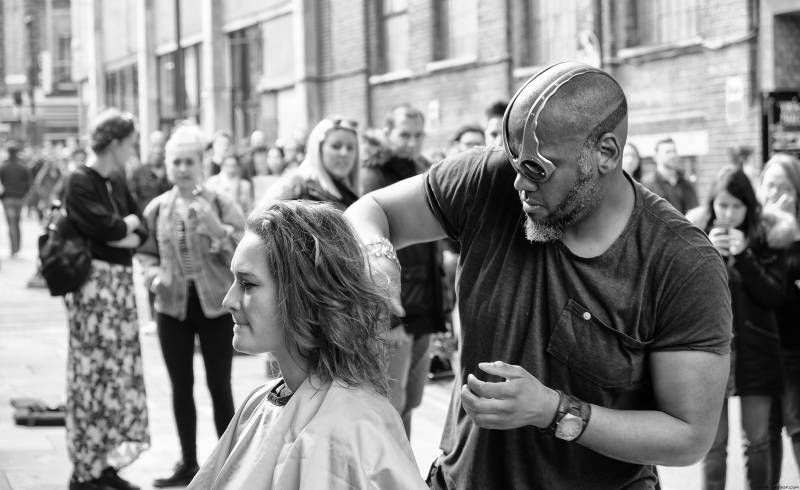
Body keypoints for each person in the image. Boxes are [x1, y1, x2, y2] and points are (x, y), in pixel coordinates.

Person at [344, 61, 732, 489]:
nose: (517, 184)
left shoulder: (681, 261)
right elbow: (371, 211)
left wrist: (551, 410)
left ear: (605, 153)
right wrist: (377, 258)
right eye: (514, 162)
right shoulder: (485, 182)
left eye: (537, 170)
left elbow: (689, 435)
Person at [185, 201, 427, 489]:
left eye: (248, 285)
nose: (228, 301)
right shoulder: (259, 401)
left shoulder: (351, 429)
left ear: (303, 294)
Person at [137, 124, 245, 488]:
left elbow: (246, 254)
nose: (182, 168)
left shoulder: (220, 203)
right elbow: (147, 253)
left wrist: (217, 230)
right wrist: (153, 277)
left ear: (201, 163)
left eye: (189, 161)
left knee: (220, 385)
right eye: (176, 162)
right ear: (168, 166)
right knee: (180, 386)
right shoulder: (157, 209)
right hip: (172, 309)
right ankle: (188, 463)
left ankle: (229, 464)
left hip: (215, 306)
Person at [688, 166, 791, 489]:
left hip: (756, 348)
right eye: (722, 205)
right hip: (710, 350)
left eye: (736, 206)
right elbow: (686, 297)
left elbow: (774, 295)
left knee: (758, 441)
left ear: (748, 206)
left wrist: (744, 255)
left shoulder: (768, 236)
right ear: (711, 204)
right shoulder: (694, 234)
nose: (728, 214)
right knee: (714, 446)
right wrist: (709, 254)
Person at [62, 109, 150, 490]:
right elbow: (109, 227)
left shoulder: (114, 179)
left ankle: (104, 463)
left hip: (118, 289)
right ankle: (85, 469)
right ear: (114, 142)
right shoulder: (80, 180)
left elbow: (138, 228)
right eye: (131, 142)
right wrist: (122, 230)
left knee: (116, 374)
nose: (134, 149)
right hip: (95, 290)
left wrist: (122, 232)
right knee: (92, 372)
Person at [361, 104, 447, 437]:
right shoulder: (372, 174)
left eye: (417, 135)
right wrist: (387, 311)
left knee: (411, 400)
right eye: (403, 134)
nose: (411, 142)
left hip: (426, 301)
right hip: (393, 305)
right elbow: (367, 245)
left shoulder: (424, 169)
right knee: (390, 404)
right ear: (387, 132)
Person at [759, 153, 800, 477]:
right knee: (765, 433)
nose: (776, 193)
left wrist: (791, 232)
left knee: (797, 426)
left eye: (784, 186)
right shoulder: (754, 229)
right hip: (759, 344)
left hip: (794, 345)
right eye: (770, 185)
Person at [263, 117, 360, 210]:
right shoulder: (297, 189)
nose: (344, 153)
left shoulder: (347, 192)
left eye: (350, 147)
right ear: (318, 149)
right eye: (336, 146)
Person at [640, 137, 698, 214]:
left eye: (674, 151)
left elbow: (695, 210)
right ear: (656, 157)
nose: (672, 155)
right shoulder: (647, 185)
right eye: (668, 152)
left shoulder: (686, 184)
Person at [0, 141, 32, 256]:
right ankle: (17, 247)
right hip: (19, 198)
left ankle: (14, 248)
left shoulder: (3, 166)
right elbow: (29, 184)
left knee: (11, 223)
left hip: (8, 198)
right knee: (17, 222)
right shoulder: (23, 166)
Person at [128, 130, 171, 211]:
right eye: (154, 145)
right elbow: (131, 201)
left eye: (161, 145)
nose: (158, 150)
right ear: (149, 147)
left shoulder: (171, 173)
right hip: (145, 220)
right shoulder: (138, 172)